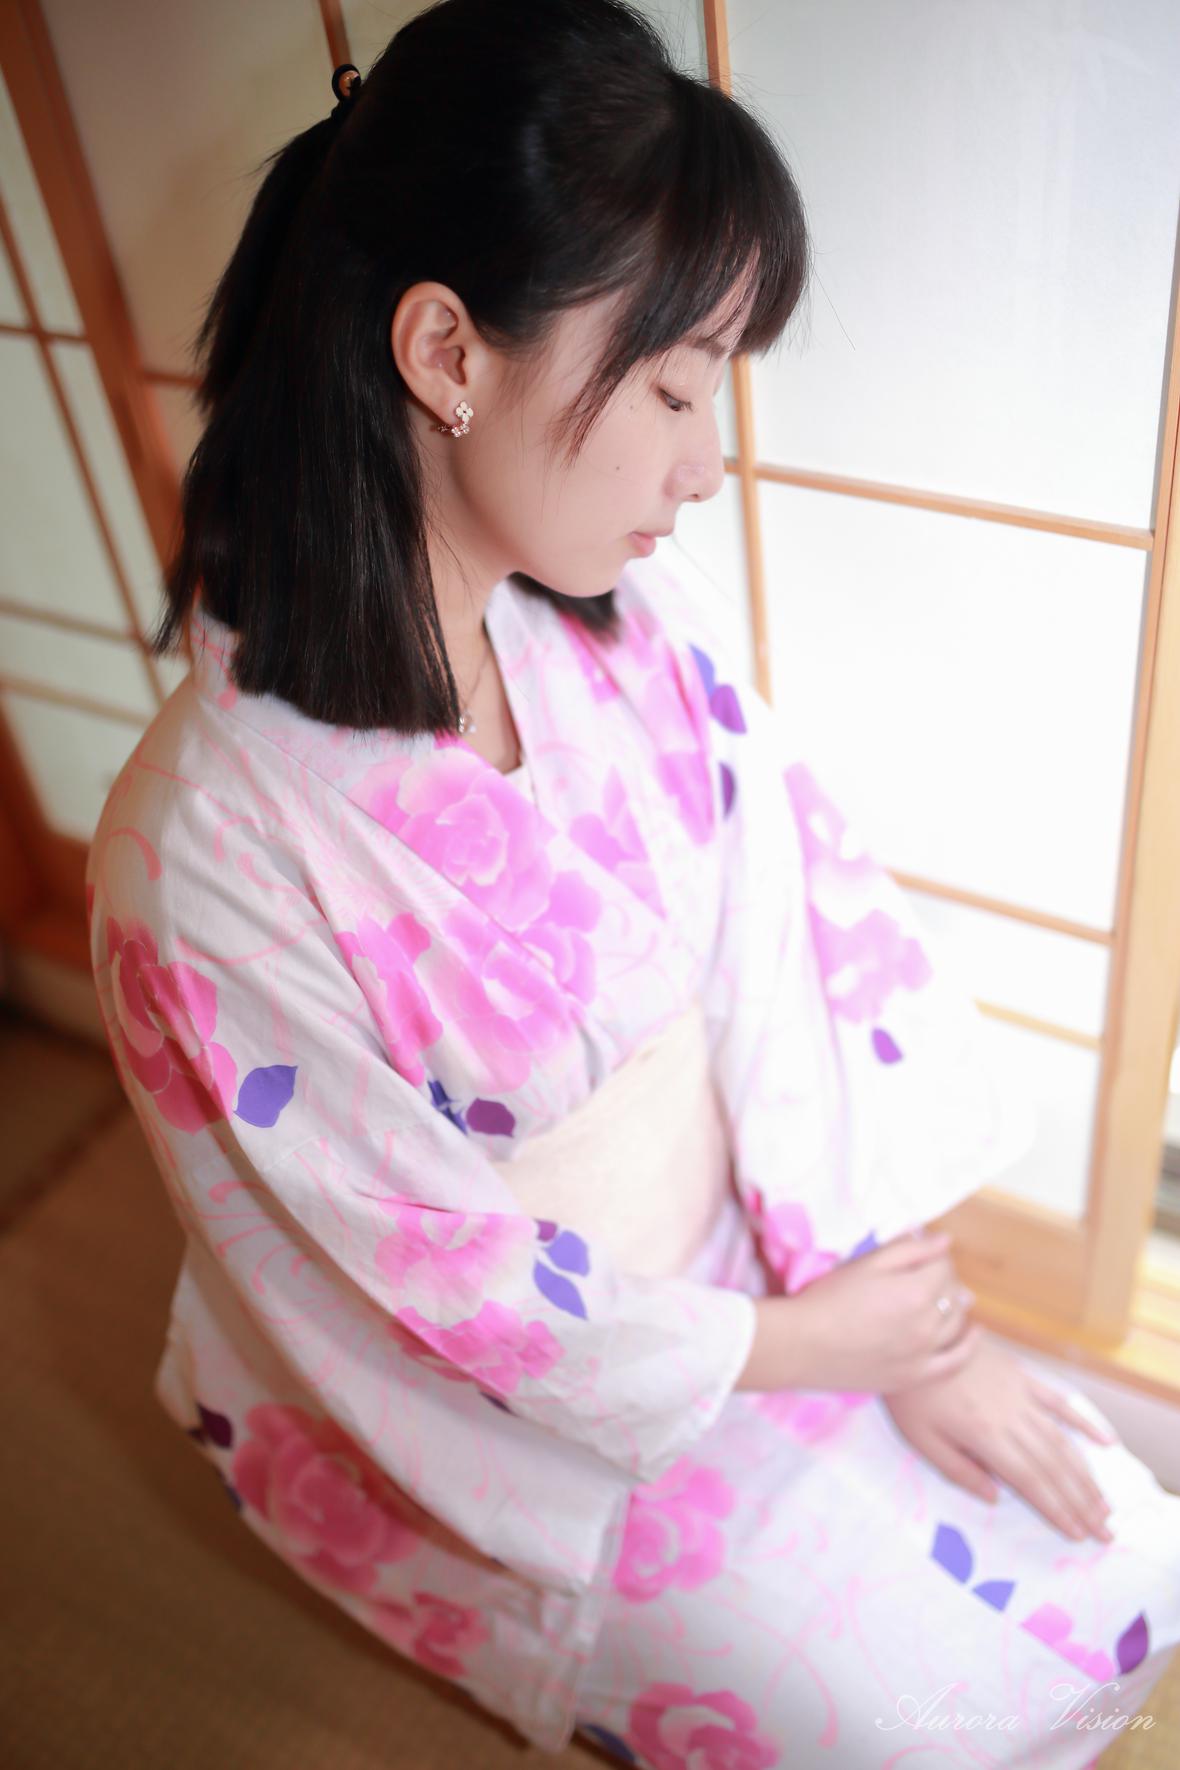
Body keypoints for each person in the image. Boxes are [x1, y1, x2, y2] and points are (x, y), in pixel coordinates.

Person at [87, 1, 1180, 1762]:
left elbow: (788, 961)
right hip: (536, 1426)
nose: (704, 460)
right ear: (446, 351)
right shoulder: (200, 855)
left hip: (771, 1265)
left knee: (1133, 1563)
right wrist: (796, 1351)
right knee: (940, 1728)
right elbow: (425, 1282)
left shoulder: (615, 618)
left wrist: (894, 1323)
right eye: (673, 387)